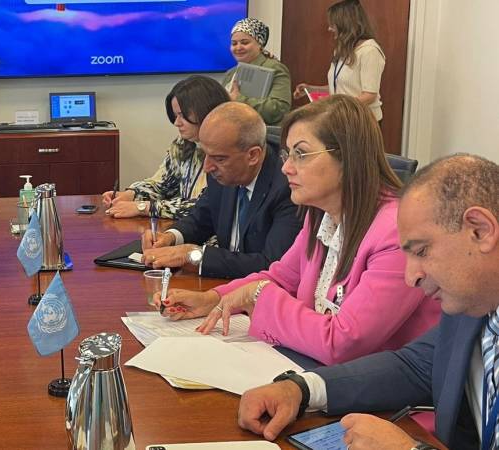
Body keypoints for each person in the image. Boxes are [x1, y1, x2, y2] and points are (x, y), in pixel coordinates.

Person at [236, 154, 499, 450]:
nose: (411, 277)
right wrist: (301, 389)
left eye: (422, 251)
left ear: (480, 231)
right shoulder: (472, 301)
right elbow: (414, 367)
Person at [156, 95, 441, 365]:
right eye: (288, 155)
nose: (286, 168)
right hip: (318, 370)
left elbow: (342, 342)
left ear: (348, 157)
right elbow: (282, 277)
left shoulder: (396, 232)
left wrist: (260, 295)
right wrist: (213, 299)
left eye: (301, 154)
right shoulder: (322, 215)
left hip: (381, 394)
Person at [141, 102, 301, 279]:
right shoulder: (221, 170)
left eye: (219, 159)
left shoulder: (288, 187)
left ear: (253, 155)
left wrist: (195, 256)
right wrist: (170, 237)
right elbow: (202, 218)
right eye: (205, 154)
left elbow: (272, 264)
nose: (207, 167)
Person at [102, 76, 229, 219]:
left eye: (182, 115)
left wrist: (144, 207)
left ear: (206, 111)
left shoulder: (226, 151)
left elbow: (206, 207)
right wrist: (131, 194)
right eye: (175, 115)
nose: (176, 123)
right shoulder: (183, 144)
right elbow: (162, 184)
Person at [293, 0, 386, 123]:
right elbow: (339, 87)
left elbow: (369, 95)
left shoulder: (370, 51)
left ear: (344, 25)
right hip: (342, 119)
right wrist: (311, 89)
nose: (329, 28)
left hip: (363, 122)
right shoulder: (341, 50)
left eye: (333, 24)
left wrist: (339, 108)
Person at [222, 18, 292, 126]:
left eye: (245, 42)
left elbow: (279, 109)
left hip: (263, 133)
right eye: (234, 43)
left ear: (260, 44)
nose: (238, 47)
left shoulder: (275, 68)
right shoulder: (230, 73)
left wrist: (239, 99)